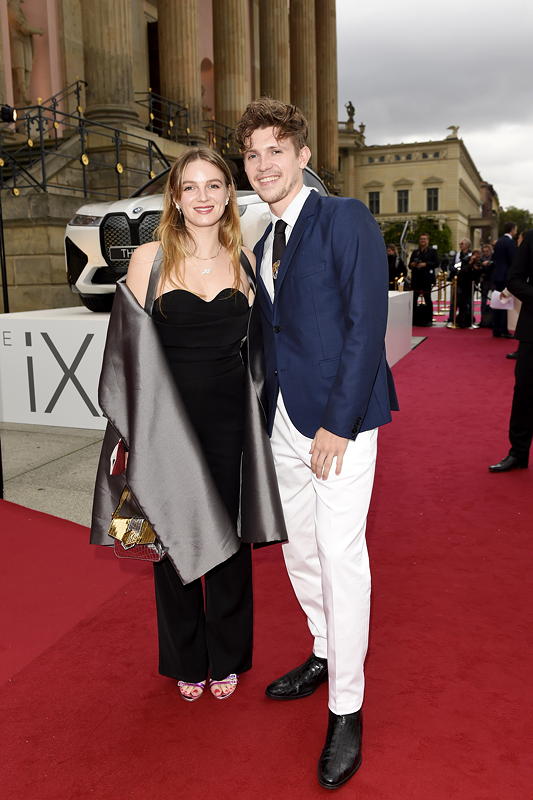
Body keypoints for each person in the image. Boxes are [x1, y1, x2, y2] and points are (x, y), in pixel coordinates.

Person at [235, 98, 398, 790]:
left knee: (338, 555)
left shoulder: (343, 218)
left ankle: (347, 708)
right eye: (252, 154)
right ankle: (325, 650)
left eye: (276, 150)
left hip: (340, 422)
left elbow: (366, 326)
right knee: (299, 549)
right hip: (282, 419)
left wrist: (338, 421)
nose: (263, 164)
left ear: (303, 156)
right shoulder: (261, 239)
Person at [91, 147, 286, 703]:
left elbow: (259, 351)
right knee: (172, 540)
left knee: (230, 541)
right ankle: (185, 658)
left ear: (228, 195)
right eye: (191, 186)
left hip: (230, 422)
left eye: (214, 185)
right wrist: (129, 433)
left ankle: (227, 655)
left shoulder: (246, 261)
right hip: (165, 424)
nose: (203, 196)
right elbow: (127, 353)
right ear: (175, 197)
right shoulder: (148, 259)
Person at [489, 229, 533, 472]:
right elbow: (514, 280)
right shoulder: (532, 238)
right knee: (524, 393)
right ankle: (518, 453)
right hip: (532, 331)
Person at [491, 222, 517, 338]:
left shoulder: (498, 242)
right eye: (515, 229)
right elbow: (513, 260)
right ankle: (503, 330)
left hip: (497, 275)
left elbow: (495, 258)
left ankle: (496, 329)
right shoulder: (510, 242)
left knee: (498, 303)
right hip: (506, 276)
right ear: (512, 229)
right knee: (505, 303)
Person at [409, 233, 439, 325]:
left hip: (426, 279)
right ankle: (413, 319)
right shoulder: (415, 252)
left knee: (427, 299)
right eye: (421, 239)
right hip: (416, 279)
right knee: (414, 300)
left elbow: (436, 263)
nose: (423, 240)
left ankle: (429, 319)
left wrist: (425, 264)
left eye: (424, 239)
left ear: (428, 241)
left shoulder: (432, 251)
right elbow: (409, 265)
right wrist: (413, 264)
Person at [446, 238, 472, 327]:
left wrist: (459, 267)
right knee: (454, 301)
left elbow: (468, 266)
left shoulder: (471, 255)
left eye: (462, 243)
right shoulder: (457, 255)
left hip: (467, 282)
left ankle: (464, 320)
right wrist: (457, 268)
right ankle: (451, 319)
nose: (460, 245)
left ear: (467, 245)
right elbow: (451, 266)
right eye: (460, 243)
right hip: (457, 281)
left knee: (466, 302)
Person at [478, 243, 494, 328]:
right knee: (483, 302)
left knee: (494, 301)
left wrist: (489, 263)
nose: (485, 253)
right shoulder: (481, 259)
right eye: (484, 251)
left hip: (492, 280)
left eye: (487, 251)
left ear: (490, 251)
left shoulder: (493, 258)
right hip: (484, 281)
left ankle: (492, 321)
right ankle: (483, 320)